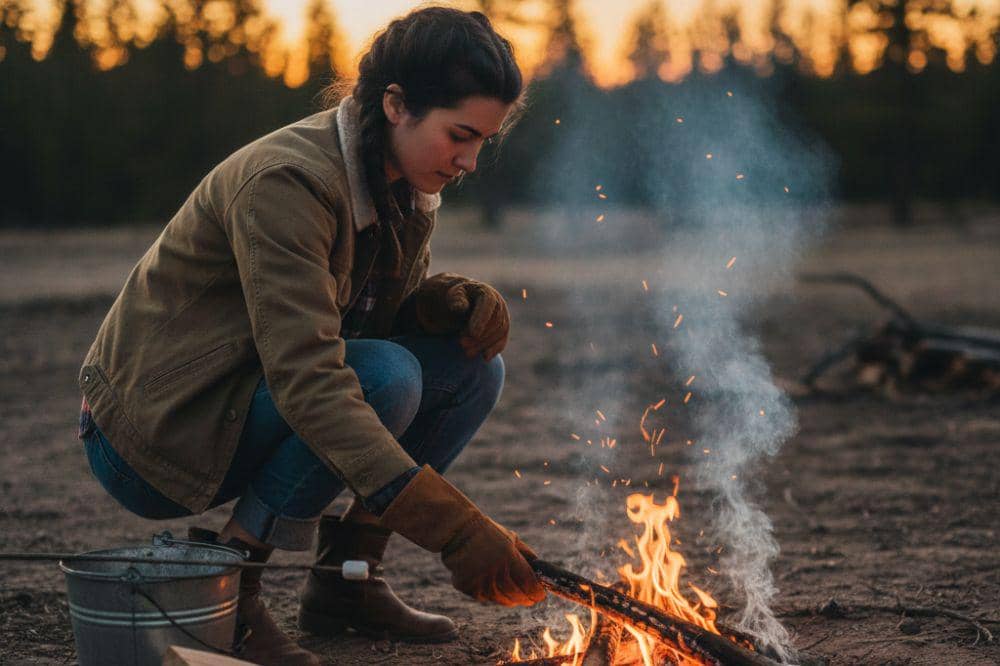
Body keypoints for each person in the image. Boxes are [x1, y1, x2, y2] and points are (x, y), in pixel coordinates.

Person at [76, 7, 545, 665]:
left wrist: (436, 311)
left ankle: (345, 582)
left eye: (482, 143)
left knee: (470, 367)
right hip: (154, 434)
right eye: (459, 135)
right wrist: (453, 529)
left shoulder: (406, 185)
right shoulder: (288, 182)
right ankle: (229, 590)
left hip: (245, 394)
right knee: (386, 377)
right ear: (396, 105)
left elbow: (365, 322)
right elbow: (310, 375)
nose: (468, 161)